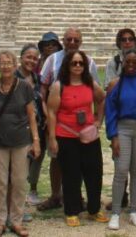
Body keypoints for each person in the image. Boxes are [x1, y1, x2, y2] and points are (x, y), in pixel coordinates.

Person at [38, 27, 99, 212]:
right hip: (58, 118)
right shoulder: (53, 59)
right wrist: (48, 116)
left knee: (80, 161)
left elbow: (95, 90)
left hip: (81, 123)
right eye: (69, 39)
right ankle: (56, 195)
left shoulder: (89, 62)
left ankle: (75, 196)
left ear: (80, 42)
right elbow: (43, 90)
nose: (72, 43)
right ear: (63, 40)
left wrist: (97, 120)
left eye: (76, 40)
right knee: (56, 159)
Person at [46, 49, 107, 226]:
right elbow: (51, 111)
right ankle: (72, 210)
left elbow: (102, 99)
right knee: (71, 174)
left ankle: (94, 209)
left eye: (81, 63)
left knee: (94, 172)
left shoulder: (90, 83)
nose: (78, 66)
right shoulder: (59, 86)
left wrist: (98, 120)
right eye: (74, 63)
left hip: (89, 134)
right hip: (66, 135)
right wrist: (52, 137)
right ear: (68, 65)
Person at [103, 28, 136, 214]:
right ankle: (120, 204)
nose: (127, 42)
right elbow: (109, 95)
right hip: (123, 123)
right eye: (123, 39)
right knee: (121, 168)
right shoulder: (114, 65)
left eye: (130, 39)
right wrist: (113, 135)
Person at [0, 51, 39, 237]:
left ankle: (16, 220)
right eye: (3, 63)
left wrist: (36, 140)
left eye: (9, 63)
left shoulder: (24, 87)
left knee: (18, 182)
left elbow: (31, 115)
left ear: (15, 65)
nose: (6, 66)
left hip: (21, 142)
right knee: (0, 183)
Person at [18, 44, 47, 205]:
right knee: (20, 165)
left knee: (34, 159)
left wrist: (46, 116)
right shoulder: (13, 77)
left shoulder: (36, 78)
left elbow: (40, 98)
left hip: (37, 125)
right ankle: (17, 202)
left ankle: (27, 194)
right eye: (28, 57)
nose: (31, 60)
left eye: (35, 58)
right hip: (20, 127)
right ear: (21, 57)